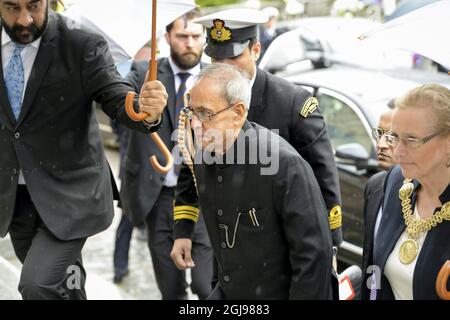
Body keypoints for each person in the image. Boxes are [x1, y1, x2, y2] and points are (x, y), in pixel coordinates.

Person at [0, 0, 167, 299]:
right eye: (12, 7)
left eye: (34, 6)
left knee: (36, 285)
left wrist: (146, 110)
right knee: (64, 286)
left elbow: (115, 97)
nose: (24, 19)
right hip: (16, 197)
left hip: (71, 195)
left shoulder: (81, 43)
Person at [172, 8, 342, 276]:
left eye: (234, 56)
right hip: (230, 241)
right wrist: (183, 229)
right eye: (216, 58)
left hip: (283, 244)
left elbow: (323, 177)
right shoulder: (202, 100)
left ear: (256, 50)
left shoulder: (292, 102)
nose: (224, 66)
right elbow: (192, 164)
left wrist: (330, 243)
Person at [171, 63, 334, 299]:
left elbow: (314, 258)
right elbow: (224, 243)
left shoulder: (284, 165)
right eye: (191, 112)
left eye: (205, 113)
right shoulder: (204, 156)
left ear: (237, 113)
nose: (195, 124)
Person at [119, 9, 213, 299]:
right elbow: (122, 112)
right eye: (182, 36)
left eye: (196, 36)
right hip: (158, 197)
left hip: (201, 197)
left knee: (204, 284)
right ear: (168, 37)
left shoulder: (214, 78)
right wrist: (145, 109)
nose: (189, 43)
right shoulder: (143, 73)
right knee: (171, 289)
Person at [372, 84, 450, 299]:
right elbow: (375, 277)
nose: (397, 151)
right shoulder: (397, 179)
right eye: (395, 136)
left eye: (412, 140)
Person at [361, 99, 397, 300]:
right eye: (380, 134)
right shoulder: (375, 185)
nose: (381, 144)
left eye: (392, 136)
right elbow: (370, 262)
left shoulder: (427, 195)